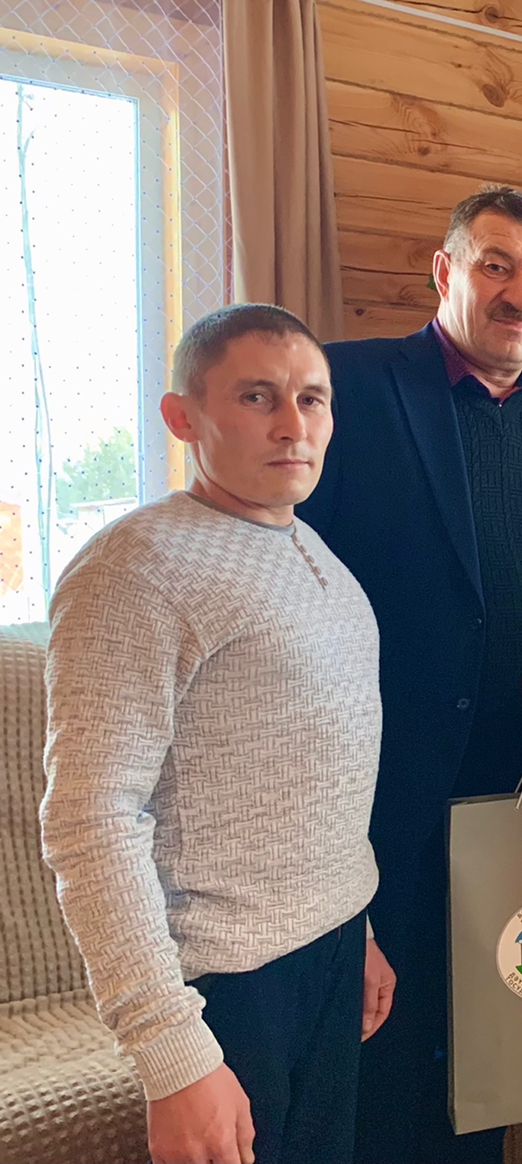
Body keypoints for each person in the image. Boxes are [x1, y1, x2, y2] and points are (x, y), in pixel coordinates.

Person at [295, 185, 522, 1164]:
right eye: (497, 266)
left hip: (516, 788)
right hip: (381, 788)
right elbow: (290, 557)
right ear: (446, 271)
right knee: (385, 1052)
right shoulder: (348, 387)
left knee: (491, 1044)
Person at [40, 304, 386, 1164]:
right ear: (183, 417)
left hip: (331, 955)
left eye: (312, 399)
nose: (292, 424)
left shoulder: (317, 552)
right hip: (223, 987)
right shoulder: (135, 567)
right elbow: (91, 817)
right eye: (257, 397)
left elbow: (319, 772)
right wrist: (172, 1050)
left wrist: (360, 926)